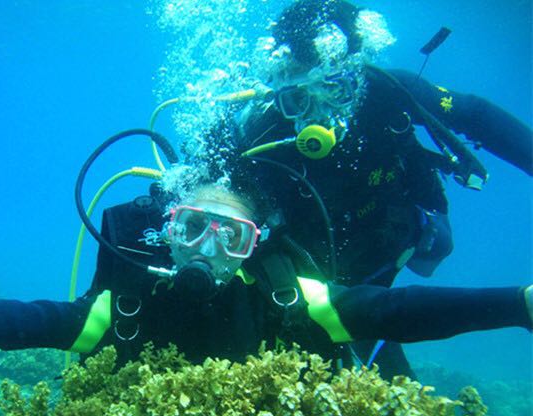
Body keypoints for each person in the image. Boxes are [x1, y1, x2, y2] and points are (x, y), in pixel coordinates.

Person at [0, 182, 533, 371]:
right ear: (165, 232)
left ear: (255, 244)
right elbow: (30, 322)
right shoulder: (126, 301)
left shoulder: (287, 294)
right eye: (191, 229)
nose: (209, 251)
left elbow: (398, 311)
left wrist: (520, 303)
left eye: (233, 236)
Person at [226, 0, 533, 377]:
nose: (315, 115)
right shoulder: (259, 128)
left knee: (432, 254)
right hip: (319, 266)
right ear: (280, 83)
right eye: (298, 99)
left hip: (398, 236)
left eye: (335, 90)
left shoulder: (388, 91)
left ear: (355, 71)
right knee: (357, 355)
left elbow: (474, 114)